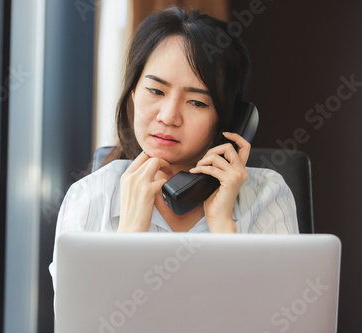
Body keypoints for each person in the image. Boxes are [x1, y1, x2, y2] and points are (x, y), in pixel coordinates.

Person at [49, 7, 298, 286]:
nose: (168, 116)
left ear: (228, 119)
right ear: (133, 93)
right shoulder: (89, 198)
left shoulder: (267, 196)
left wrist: (223, 227)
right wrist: (129, 235)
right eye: (155, 91)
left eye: (197, 102)